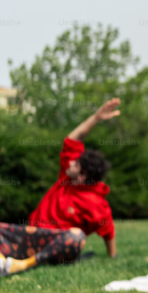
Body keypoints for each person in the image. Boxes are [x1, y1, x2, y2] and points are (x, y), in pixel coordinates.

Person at [1, 100, 119, 276]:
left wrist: (113, 256)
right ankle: (4, 261)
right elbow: (72, 140)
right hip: (30, 236)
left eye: (76, 164)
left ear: (82, 176)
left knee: (77, 236)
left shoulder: (96, 203)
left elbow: (108, 231)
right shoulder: (67, 178)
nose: (70, 162)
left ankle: (23, 265)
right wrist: (96, 118)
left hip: (58, 245)